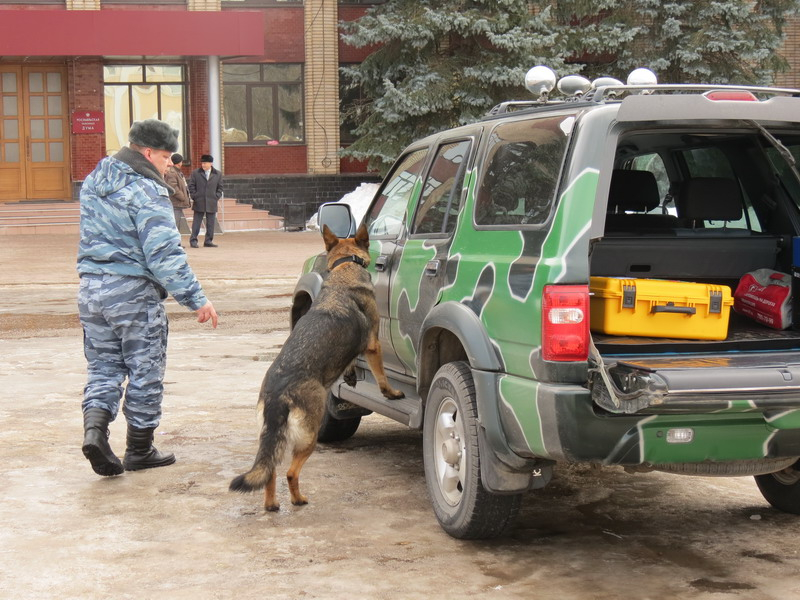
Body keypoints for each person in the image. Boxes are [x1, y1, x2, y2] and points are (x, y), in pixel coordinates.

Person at [77, 119, 219, 477]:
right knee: (145, 369)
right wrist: (196, 298)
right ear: (148, 152)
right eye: (167, 156)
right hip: (132, 293)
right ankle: (139, 449)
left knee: (103, 368)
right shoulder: (147, 191)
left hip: (92, 289)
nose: (170, 164)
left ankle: (95, 432)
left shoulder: (96, 180)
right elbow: (164, 253)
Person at [188, 154, 223, 248]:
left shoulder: (218, 174)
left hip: (212, 201)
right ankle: (193, 240)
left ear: (211, 163)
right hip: (199, 200)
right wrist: (194, 196)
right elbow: (191, 185)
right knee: (197, 222)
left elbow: (220, 187)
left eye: (205, 163)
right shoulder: (195, 173)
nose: (203, 165)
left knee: (211, 223)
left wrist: (216, 196)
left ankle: (208, 241)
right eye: (202, 163)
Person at [164, 152, 191, 239]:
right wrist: (182, 196)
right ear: (179, 162)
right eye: (181, 161)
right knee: (175, 224)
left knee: (177, 224)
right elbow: (173, 186)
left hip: (178, 203)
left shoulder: (177, 172)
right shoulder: (172, 172)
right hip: (175, 203)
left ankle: (176, 242)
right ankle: (173, 243)